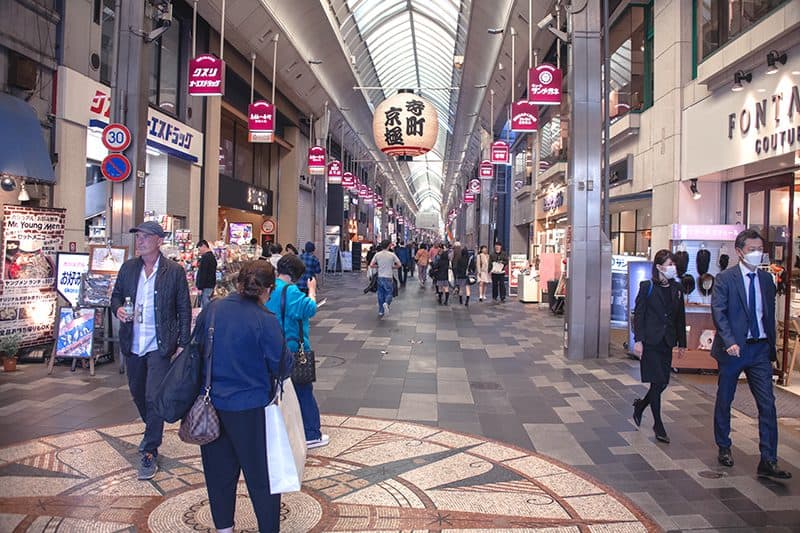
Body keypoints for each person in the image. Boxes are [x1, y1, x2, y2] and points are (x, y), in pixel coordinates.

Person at [196, 260, 291, 532]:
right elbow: (282, 366)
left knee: (218, 473)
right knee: (261, 476)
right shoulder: (265, 320)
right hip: (251, 409)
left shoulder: (214, 309)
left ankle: (224, 527)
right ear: (268, 289)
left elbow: (197, 347)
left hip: (212, 404)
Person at [111, 221, 191, 480]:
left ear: (159, 240)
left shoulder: (174, 271)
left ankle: (149, 449)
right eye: (138, 236)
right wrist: (118, 310)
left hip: (160, 344)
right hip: (133, 343)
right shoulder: (128, 268)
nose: (140, 241)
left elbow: (183, 309)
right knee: (137, 392)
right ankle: (152, 428)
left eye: (146, 236)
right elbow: (116, 297)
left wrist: (182, 342)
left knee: (153, 395)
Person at [711, 229, 791, 479]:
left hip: (759, 349)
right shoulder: (725, 279)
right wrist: (729, 341)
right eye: (752, 250)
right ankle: (724, 446)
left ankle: (769, 459)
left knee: (767, 403)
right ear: (739, 252)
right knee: (726, 399)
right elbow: (719, 312)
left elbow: (768, 313)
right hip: (734, 349)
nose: (757, 254)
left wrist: (773, 344)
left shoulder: (767, 280)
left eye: (760, 249)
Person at [267, 254, 329, 449]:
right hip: (292, 347)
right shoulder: (291, 291)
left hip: (270, 346)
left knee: (275, 391)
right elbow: (309, 309)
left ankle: (275, 431)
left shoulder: (269, 288)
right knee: (303, 391)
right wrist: (312, 291)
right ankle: (311, 433)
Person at [631, 249, 686, 444]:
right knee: (656, 382)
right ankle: (658, 425)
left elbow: (680, 317)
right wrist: (638, 340)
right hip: (651, 341)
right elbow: (639, 314)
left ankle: (641, 405)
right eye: (669, 264)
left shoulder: (677, 288)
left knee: (663, 382)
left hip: (667, 341)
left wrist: (682, 343)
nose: (672, 268)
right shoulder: (647, 287)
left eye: (673, 265)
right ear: (659, 266)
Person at [369, 239, 401, 317]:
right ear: (389, 245)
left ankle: (381, 311)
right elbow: (399, 265)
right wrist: (392, 267)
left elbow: (371, 265)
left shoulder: (377, 254)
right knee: (389, 293)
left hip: (380, 277)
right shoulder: (392, 254)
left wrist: (379, 266)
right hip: (388, 277)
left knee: (380, 294)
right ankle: (386, 303)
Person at [196, 240, 217, 308]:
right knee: (208, 305)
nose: (199, 251)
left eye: (199, 249)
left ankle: (205, 318)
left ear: (204, 246)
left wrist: (200, 287)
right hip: (211, 285)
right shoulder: (212, 257)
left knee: (205, 306)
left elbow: (203, 273)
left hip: (206, 286)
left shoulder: (205, 258)